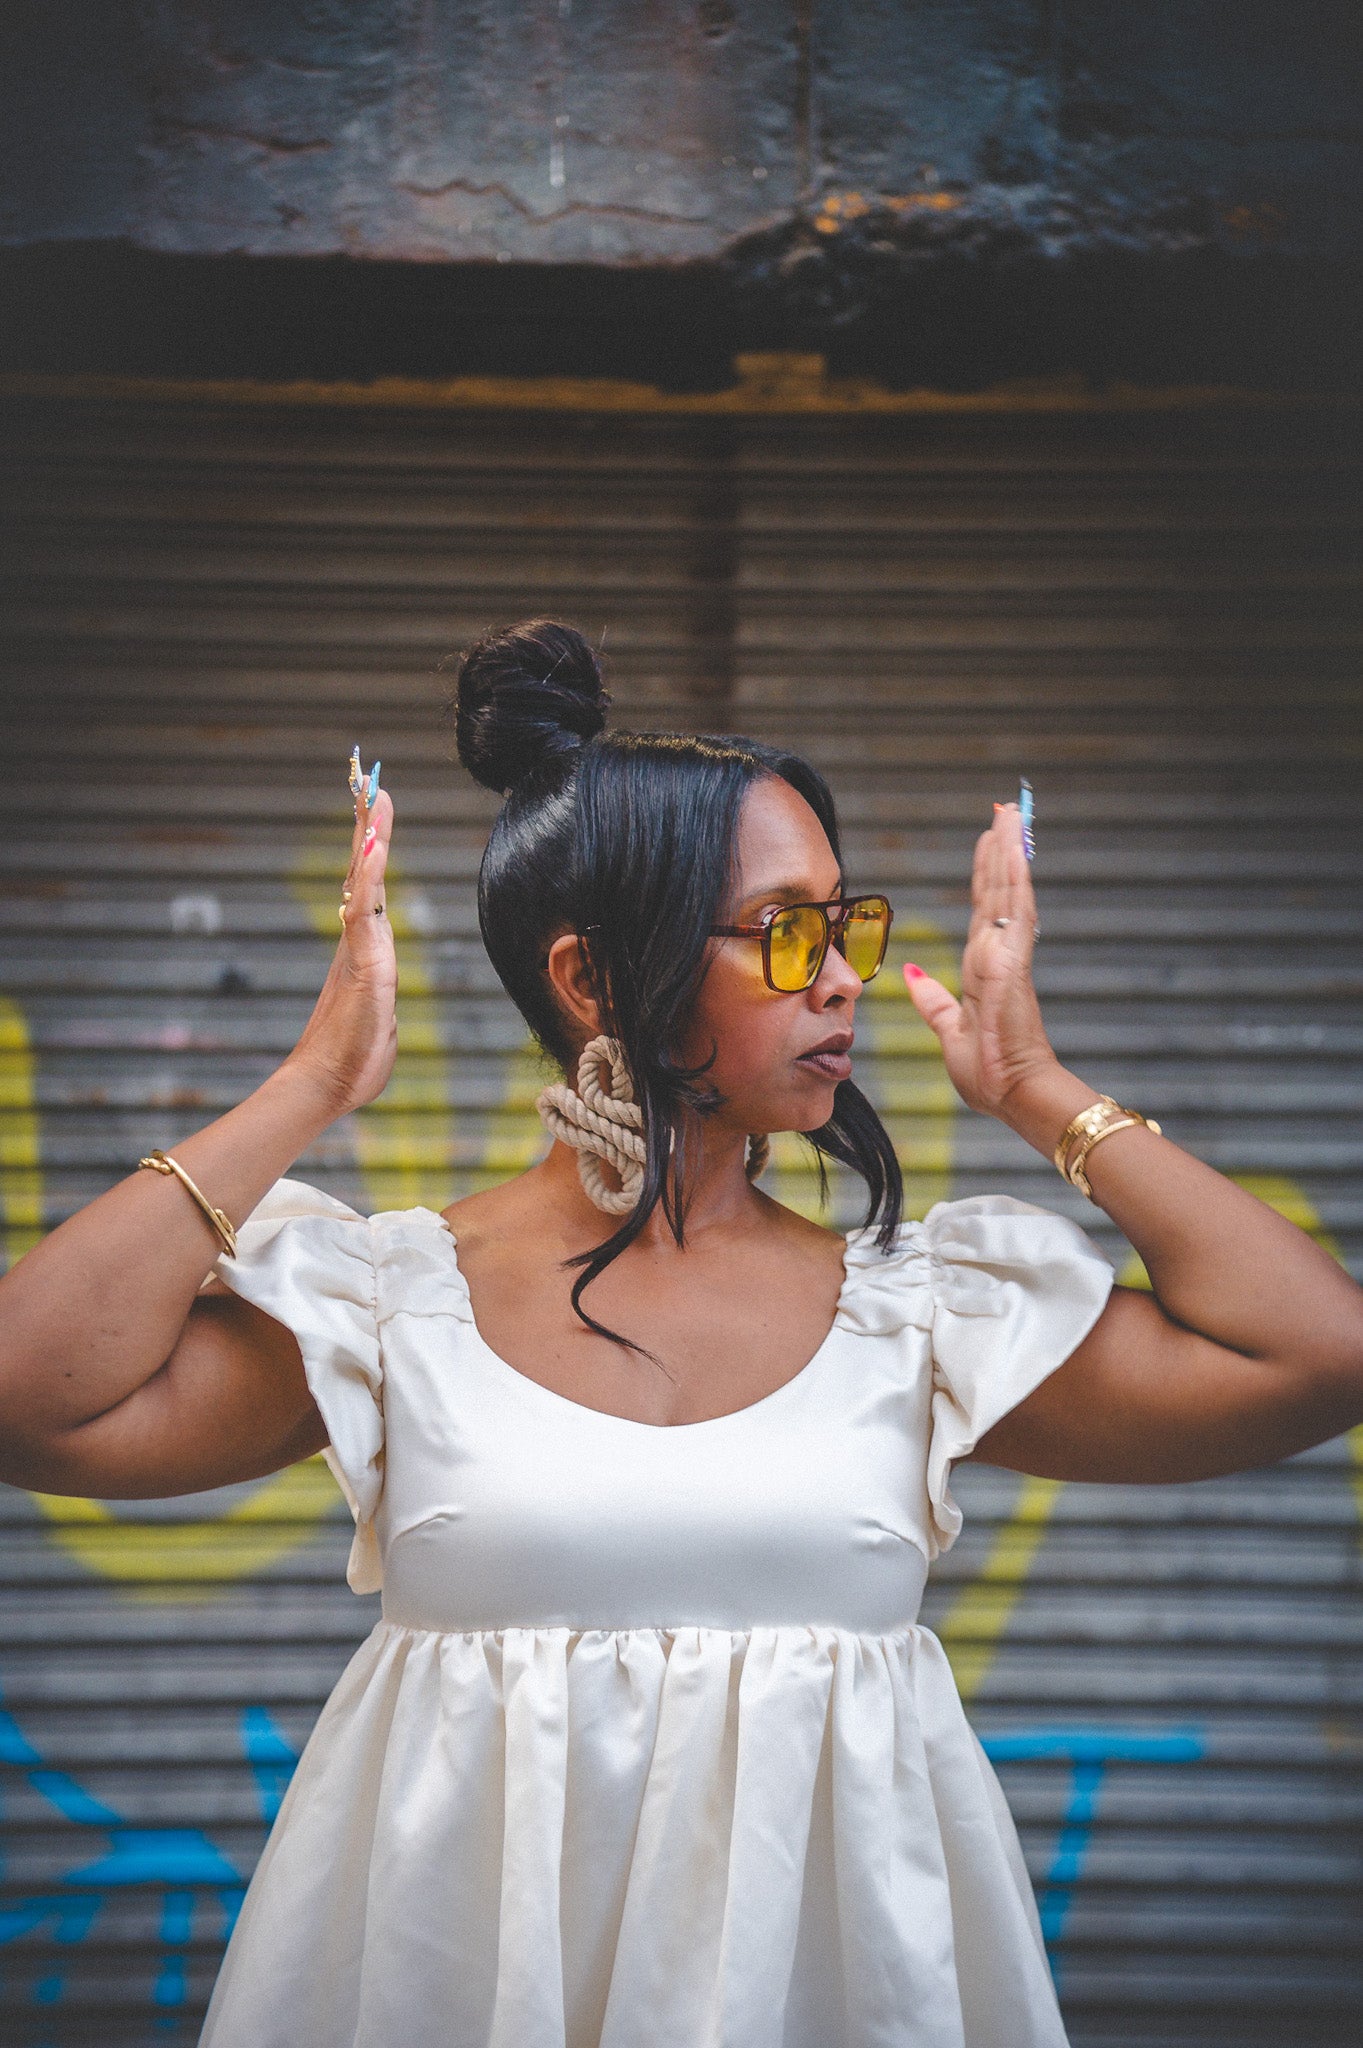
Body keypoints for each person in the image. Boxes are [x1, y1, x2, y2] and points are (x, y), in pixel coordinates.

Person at [1, 620, 1360, 2048]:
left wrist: (1033, 1084)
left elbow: (1315, 1354)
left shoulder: (913, 1320)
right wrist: (315, 1077)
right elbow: (32, 1393)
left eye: (847, 926)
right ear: (592, 981)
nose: (840, 977)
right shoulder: (389, 1301)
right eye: (785, 933)